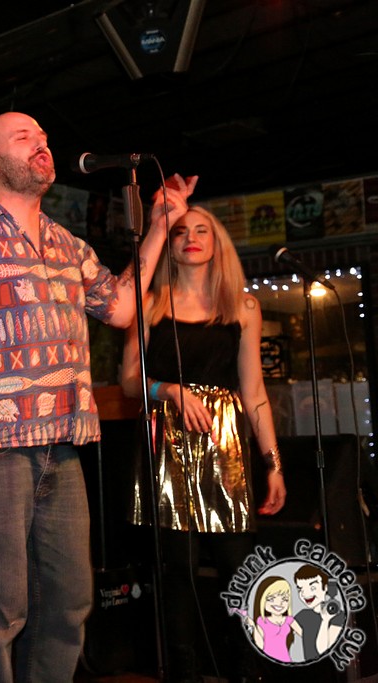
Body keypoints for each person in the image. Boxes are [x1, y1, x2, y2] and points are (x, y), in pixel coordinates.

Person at [0, 97, 194, 682]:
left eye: (44, 136)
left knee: (68, 603)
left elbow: (121, 308)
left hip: (61, 441)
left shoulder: (65, 243)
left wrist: (159, 227)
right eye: (23, 136)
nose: (41, 143)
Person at [120, 204, 288, 682]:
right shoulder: (149, 302)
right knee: (178, 570)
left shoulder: (243, 307)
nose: (190, 237)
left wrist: (273, 463)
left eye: (201, 230)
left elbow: (254, 392)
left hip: (225, 448)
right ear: (169, 244)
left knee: (241, 567)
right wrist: (169, 390)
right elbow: (129, 382)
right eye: (179, 231)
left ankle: (248, 670)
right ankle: (184, 672)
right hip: (168, 445)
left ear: (217, 243)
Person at [293, 564, 346, 659]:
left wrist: (325, 620)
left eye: (312, 588)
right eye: (301, 589)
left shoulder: (338, 616)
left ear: (325, 587)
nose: (305, 594)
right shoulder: (303, 615)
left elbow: (323, 650)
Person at [246, 576, 301, 662]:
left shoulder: (289, 620)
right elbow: (260, 645)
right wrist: (252, 626)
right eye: (271, 599)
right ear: (262, 600)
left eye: (285, 599)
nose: (279, 603)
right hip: (267, 661)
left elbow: (305, 635)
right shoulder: (262, 621)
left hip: (285, 660)